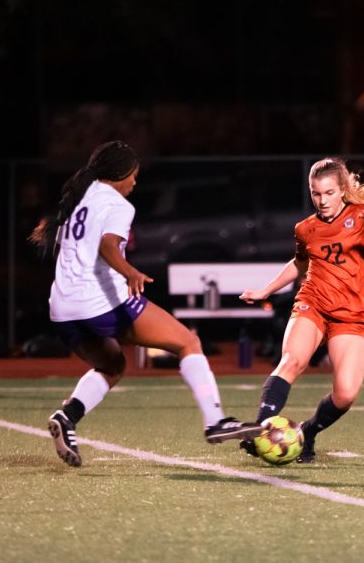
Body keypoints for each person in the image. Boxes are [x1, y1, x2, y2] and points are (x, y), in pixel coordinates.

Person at [28, 140, 260, 468]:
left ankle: (67, 417)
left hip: (63, 309)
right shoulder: (118, 205)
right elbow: (107, 246)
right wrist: (129, 270)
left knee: (112, 366)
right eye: (133, 175)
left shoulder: (78, 199)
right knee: (188, 342)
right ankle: (216, 421)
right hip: (101, 303)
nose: (135, 182)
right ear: (119, 174)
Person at [239, 157, 364, 463]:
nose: (322, 201)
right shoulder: (306, 229)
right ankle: (259, 428)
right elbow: (300, 263)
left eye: (329, 193)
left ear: (343, 190)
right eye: (316, 194)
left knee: (346, 394)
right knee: (292, 360)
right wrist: (267, 290)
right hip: (314, 302)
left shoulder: (363, 216)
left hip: (355, 314)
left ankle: (308, 432)